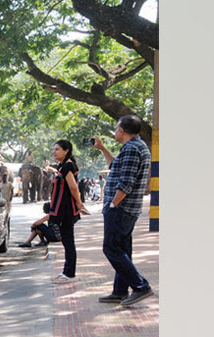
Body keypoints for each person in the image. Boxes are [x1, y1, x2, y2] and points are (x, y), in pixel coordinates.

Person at [92, 115, 153, 306]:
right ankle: (120, 291)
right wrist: (102, 148)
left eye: (116, 128)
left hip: (121, 208)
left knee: (110, 247)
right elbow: (115, 167)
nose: (115, 131)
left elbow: (126, 183)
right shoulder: (133, 147)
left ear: (122, 131)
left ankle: (141, 286)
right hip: (127, 208)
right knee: (123, 249)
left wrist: (113, 204)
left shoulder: (133, 149)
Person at [48, 139, 90, 283]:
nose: (54, 152)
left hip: (66, 209)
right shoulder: (62, 166)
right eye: (54, 149)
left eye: (57, 149)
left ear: (66, 151)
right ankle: (67, 271)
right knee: (66, 241)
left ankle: (70, 274)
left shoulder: (68, 166)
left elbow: (73, 187)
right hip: (62, 209)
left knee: (68, 241)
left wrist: (79, 204)